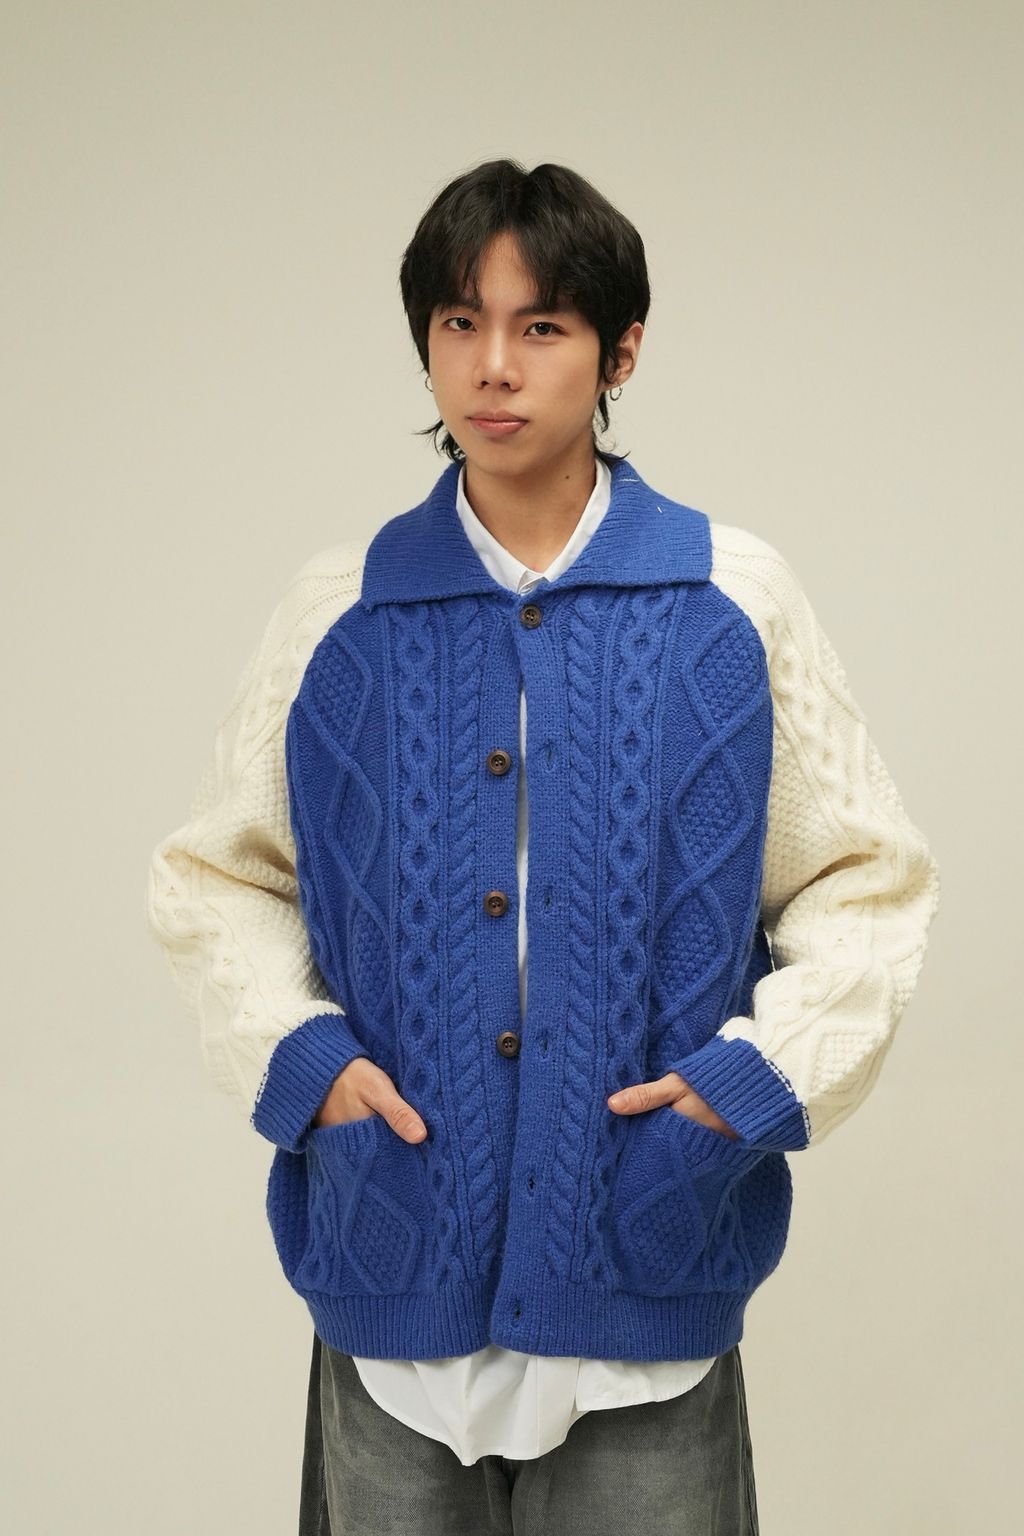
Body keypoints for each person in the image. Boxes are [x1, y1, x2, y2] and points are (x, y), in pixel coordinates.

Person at [146, 158, 941, 1534]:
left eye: (542, 326)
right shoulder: (341, 611)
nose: (494, 366)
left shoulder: (729, 600)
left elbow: (865, 881)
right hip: (396, 1283)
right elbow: (219, 877)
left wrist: (746, 1086)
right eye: (460, 323)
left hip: (646, 1273)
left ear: (620, 351)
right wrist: (307, 1064)